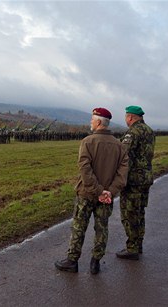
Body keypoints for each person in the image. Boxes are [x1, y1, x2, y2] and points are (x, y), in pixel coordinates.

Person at [55, 107, 129, 274]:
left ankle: (72, 260)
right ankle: (95, 262)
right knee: (102, 228)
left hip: (87, 193)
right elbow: (122, 173)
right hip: (107, 196)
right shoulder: (119, 146)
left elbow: (85, 169)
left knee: (79, 226)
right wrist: (109, 191)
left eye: (92, 119)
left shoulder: (87, 142)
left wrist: (97, 190)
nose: (90, 122)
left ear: (98, 122)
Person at [116, 105, 155, 260]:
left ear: (130, 117)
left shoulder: (132, 132)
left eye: (126, 117)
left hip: (133, 180)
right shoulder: (149, 131)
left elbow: (123, 155)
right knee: (140, 212)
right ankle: (138, 244)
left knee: (129, 214)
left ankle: (132, 248)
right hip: (145, 177)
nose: (126, 119)